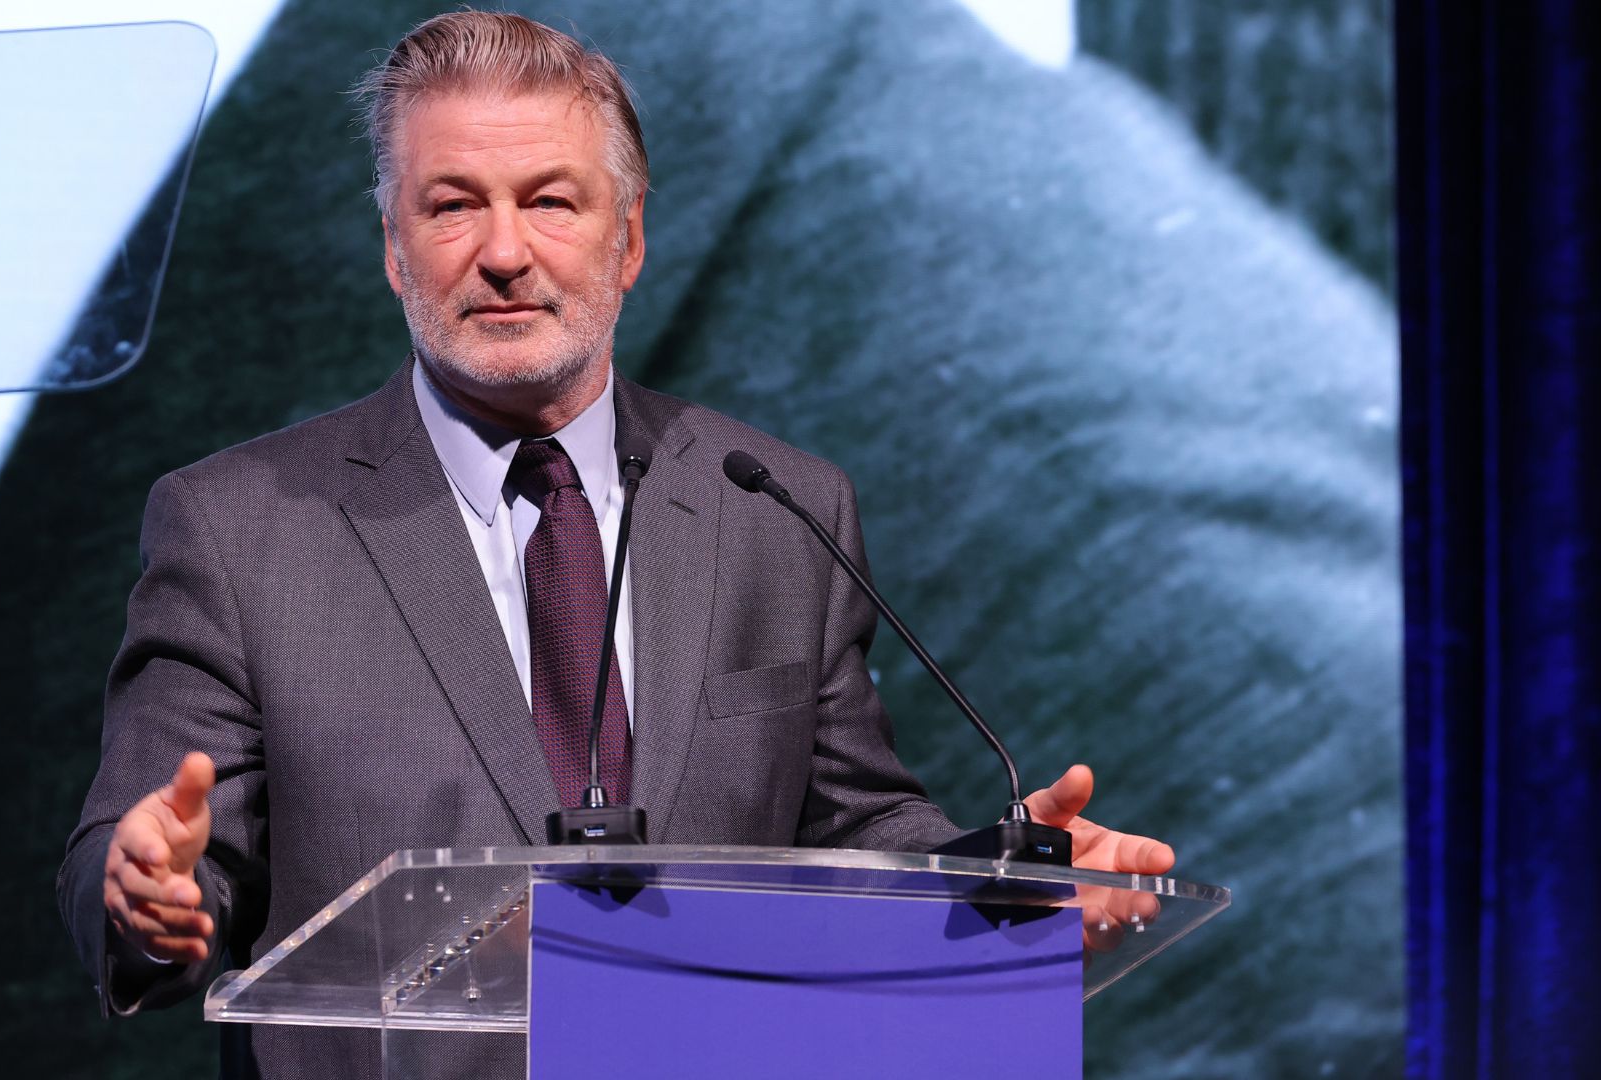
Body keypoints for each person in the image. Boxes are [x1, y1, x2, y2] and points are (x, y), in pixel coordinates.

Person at [58, 10, 1175, 1076]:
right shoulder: (243, 526)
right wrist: (150, 893)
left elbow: (851, 823)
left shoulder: (774, 506)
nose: (504, 252)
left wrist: (999, 883)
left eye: (551, 201)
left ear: (628, 239)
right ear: (395, 249)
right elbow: (155, 864)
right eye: (452, 207)